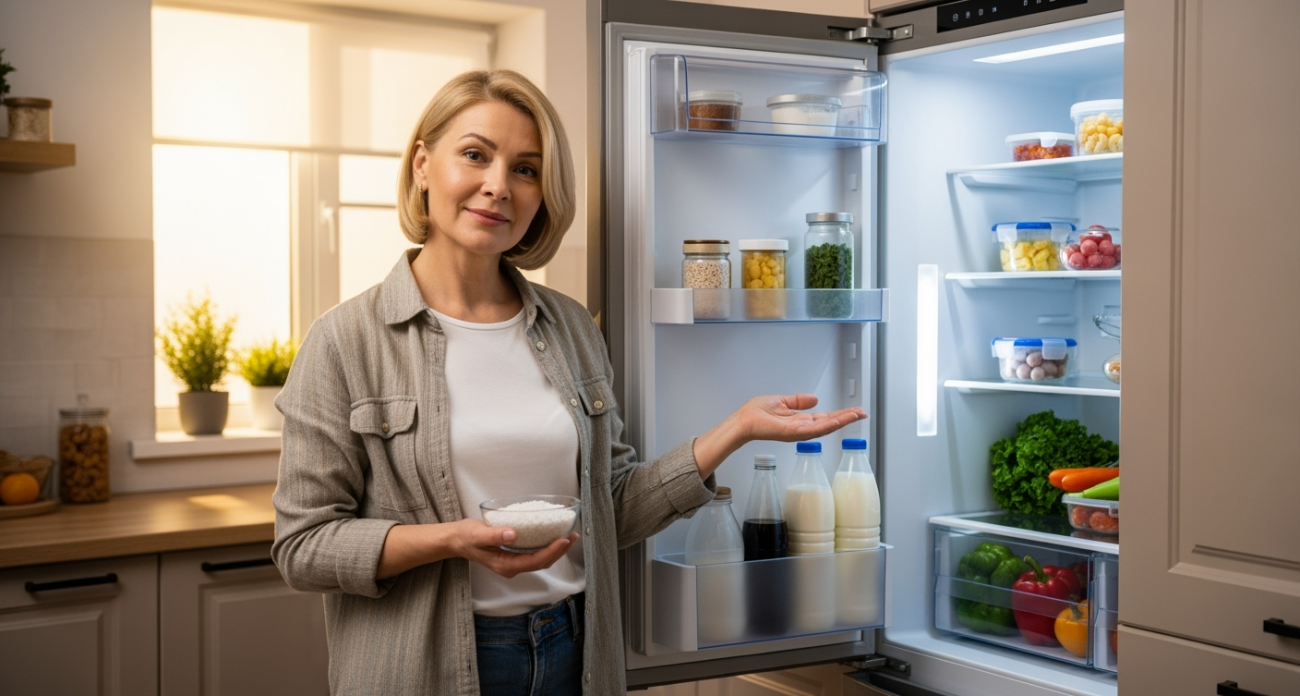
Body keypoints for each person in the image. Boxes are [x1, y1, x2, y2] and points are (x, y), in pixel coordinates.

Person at [271, 69, 866, 696]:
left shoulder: (570, 327)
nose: (498, 186)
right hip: (427, 667)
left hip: (575, 652)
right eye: (474, 155)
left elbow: (609, 509)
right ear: (423, 164)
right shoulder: (345, 340)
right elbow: (303, 547)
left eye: (526, 169)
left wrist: (735, 430)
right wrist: (453, 540)